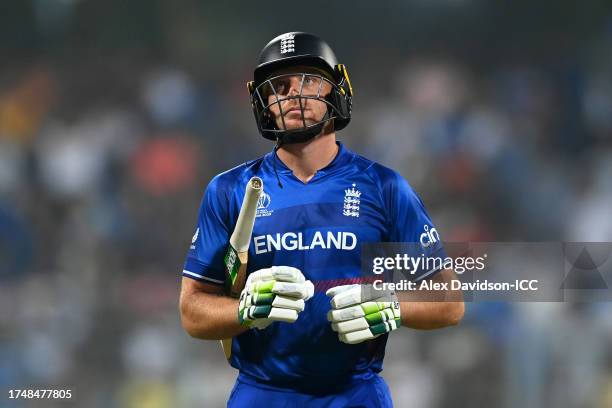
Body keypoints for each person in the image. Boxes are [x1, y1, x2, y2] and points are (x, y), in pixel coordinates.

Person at [179, 32, 464, 407]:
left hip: (356, 392)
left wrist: (392, 308)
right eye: (280, 86)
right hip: (262, 393)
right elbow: (192, 312)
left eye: (309, 80)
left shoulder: (384, 187)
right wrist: (244, 310)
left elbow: (450, 301)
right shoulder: (230, 189)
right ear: (265, 102)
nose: (295, 95)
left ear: (335, 90)